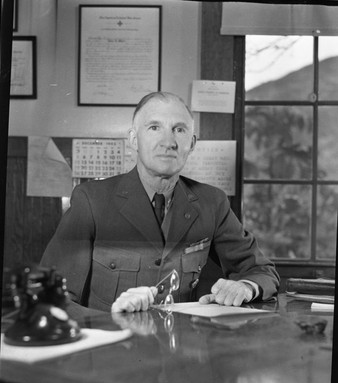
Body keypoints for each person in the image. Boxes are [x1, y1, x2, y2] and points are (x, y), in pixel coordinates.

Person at [40, 91, 279, 313]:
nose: (169, 141)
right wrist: (110, 318)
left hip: (181, 349)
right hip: (112, 350)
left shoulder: (212, 202)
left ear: (192, 143)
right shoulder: (92, 200)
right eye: (154, 127)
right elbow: (51, 297)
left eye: (179, 130)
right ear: (134, 139)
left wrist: (246, 286)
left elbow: (262, 271)